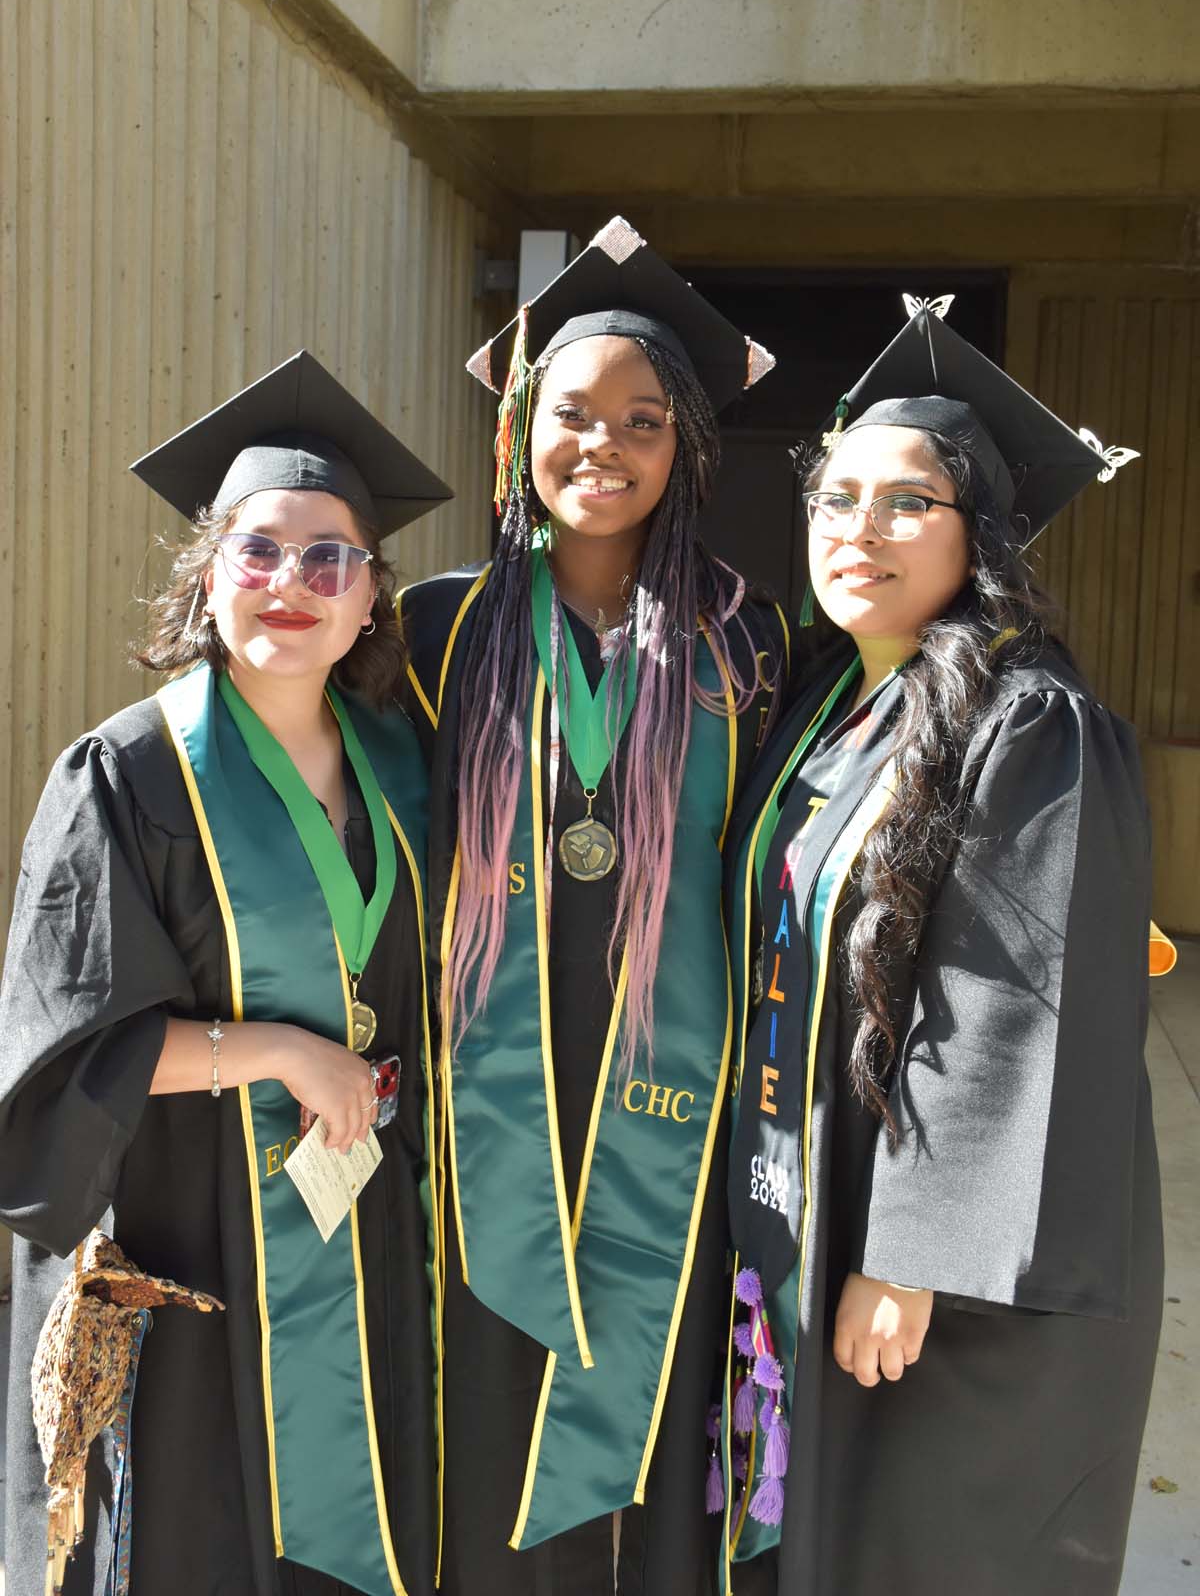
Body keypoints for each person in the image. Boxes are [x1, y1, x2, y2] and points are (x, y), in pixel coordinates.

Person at [717, 296, 1161, 1596]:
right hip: (807, 1196)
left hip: (940, 1276)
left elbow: (1011, 1011)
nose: (858, 527)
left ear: (985, 534)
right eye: (835, 495)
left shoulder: (1034, 724)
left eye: (908, 502)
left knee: (921, 1554)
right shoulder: (825, 700)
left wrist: (909, 1260)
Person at [0, 352, 451, 1596]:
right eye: (258, 551)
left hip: (366, 1233)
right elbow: (65, 1051)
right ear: (208, 578)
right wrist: (281, 1052)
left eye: (330, 559)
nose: (292, 583)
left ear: (372, 598)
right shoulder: (128, 777)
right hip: (188, 1245)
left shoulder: (409, 772)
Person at [400, 218, 794, 1596]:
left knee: (643, 1404)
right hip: (480, 1110)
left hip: (661, 1112)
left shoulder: (747, 640)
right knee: (481, 1412)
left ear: (686, 447)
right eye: (570, 413)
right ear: (520, 430)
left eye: (643, 420)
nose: (603, 447)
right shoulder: (436, 628)